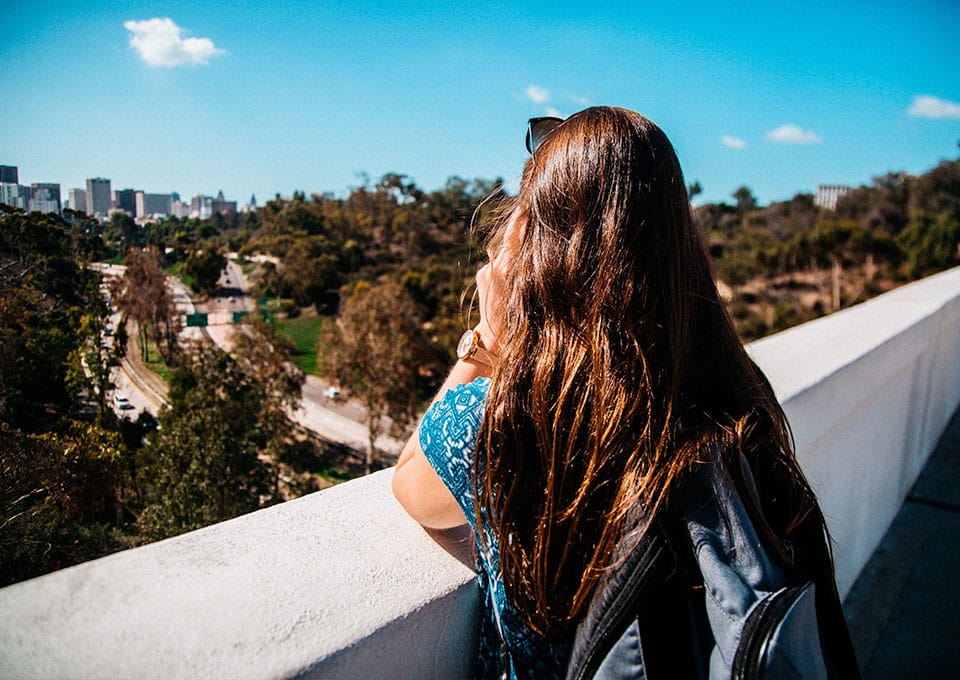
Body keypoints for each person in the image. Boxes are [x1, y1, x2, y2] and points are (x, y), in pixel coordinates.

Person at [392, 107, 859, 679]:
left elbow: (411, 482)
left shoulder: (508, 419)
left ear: (539, 254)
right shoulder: (735, 403)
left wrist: (486, 344)